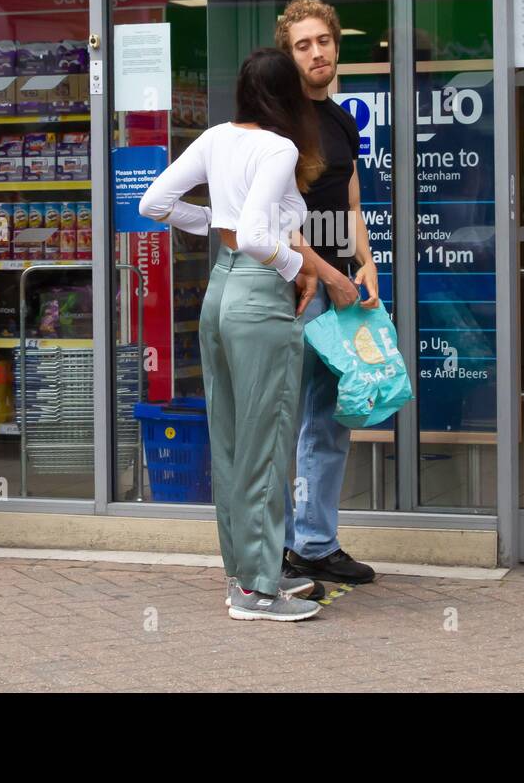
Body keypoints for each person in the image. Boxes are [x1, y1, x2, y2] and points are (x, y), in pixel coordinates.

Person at [139, 48, 330, 621]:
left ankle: (247, 575)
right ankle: (257, 590)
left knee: (230, 439)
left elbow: (154, 203)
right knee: (268, 440)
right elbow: (254, 234)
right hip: (259, 291)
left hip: (220, 292)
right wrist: (301, 269)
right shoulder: (279, 147)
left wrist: (210, 227)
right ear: (286, 95)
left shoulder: (217, 138)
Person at [276, 0, 380, 586]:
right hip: (298, 287)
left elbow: (351, 202)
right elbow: (282, 227)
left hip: (342, 287)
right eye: (303, 44)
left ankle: (316, 543)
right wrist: (333, 276)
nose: (317, 52)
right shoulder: (281, 126)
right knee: (284, 421)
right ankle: (279, 547)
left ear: (337, 45)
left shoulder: (342, 120)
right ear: (289, 55)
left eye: (323, 41)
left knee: (331, 420)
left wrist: (366, 264)